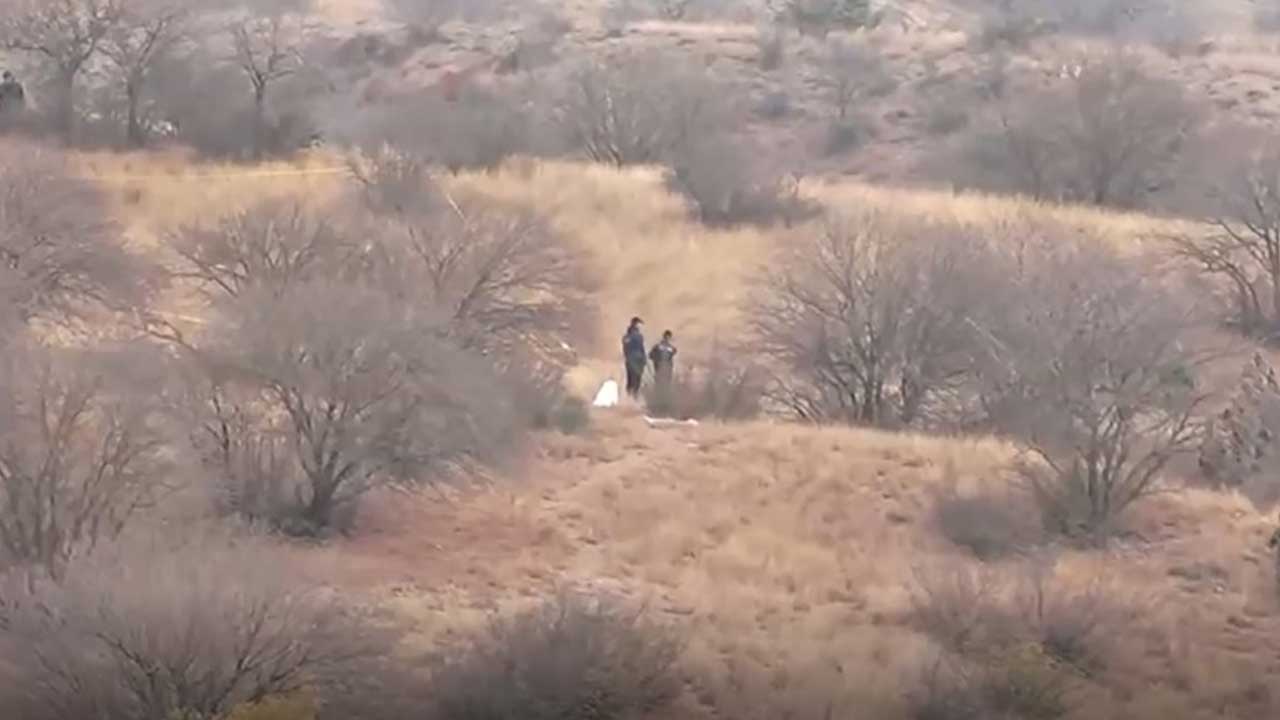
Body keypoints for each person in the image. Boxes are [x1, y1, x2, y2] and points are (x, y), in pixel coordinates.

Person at [622, 317, 646, 400]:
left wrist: (644, 358)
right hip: (633, 358)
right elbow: (626, 348)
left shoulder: (635, 336)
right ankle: (631, 396)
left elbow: (642, 348)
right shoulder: (631, 336)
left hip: (636, 359)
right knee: (633, 377)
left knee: (635, 377)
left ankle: (633, 396)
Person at [649, 330, 677, 401]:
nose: (667, 339)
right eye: (666, 337)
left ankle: (663, 398)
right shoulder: (662, 347)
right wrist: (656, 361)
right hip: (661, 368)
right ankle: (659, 398)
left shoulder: (670, 348)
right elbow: (651, 355)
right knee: (661, 383)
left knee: (664, 383)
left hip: (665, 368)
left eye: (668, 337)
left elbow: (651, 355)